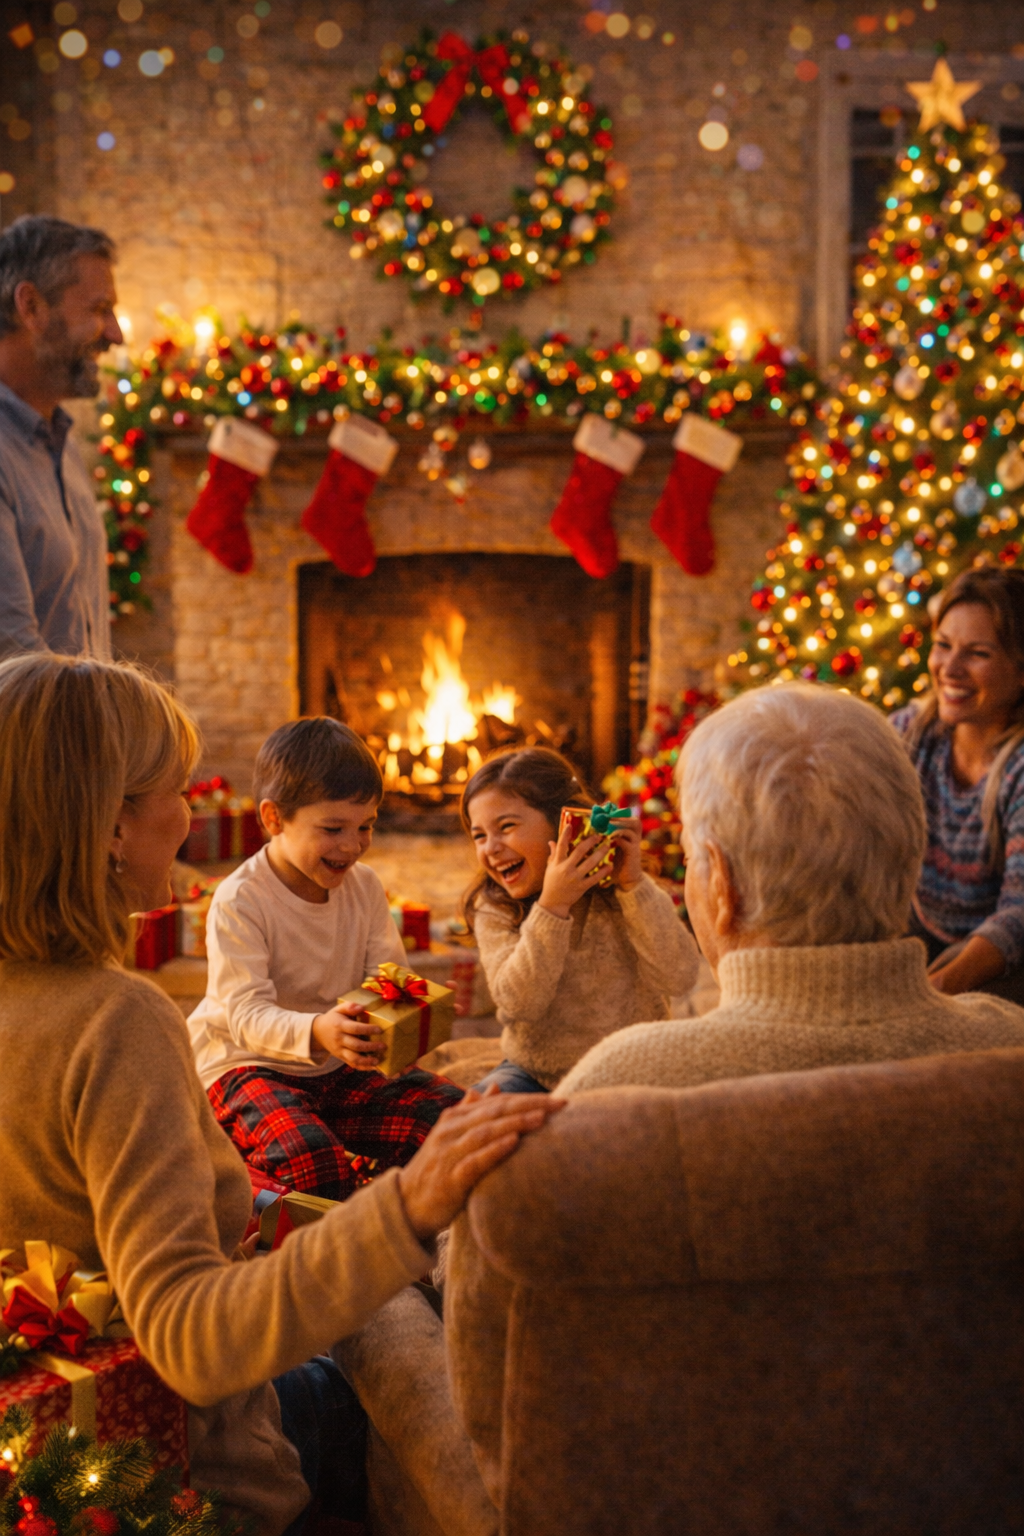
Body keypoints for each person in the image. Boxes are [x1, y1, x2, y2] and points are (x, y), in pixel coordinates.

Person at [0, 653, 563, 1534]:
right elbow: (191, 1340)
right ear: (113, 826)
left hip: (39, 1462)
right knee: (408, 1380)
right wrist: (408, 1207)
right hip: (189, 1475)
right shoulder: (119, 1022)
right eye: (177, 791)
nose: (192, 816)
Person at [558, 682, 1024, 1095]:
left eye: (691, 855)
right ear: (908, 852)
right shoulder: (1008, 1041)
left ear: (723, 885)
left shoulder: (621, 1081)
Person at [189, 717, 465, 1200]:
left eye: (366, 827)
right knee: (311, 1162)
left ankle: (371, 1185)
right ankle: (250, 1177)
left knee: (455, 1120)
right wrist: (319, 1030)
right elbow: (245, 1015)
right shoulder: (241, 899)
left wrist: (413, 1011)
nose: (353, 845)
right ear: (274, 819)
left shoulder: (365, 887)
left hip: (337, 1069)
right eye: (333, 828)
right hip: (247, 1066)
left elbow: (387, 980)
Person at [461, 745, 699, 1093]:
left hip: (634, 1070)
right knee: (477, 1113)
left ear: (564, 822)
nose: (490, 848)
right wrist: (552, 908)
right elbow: (517, 1004)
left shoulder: (622, 892)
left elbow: (680, 976)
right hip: (537, 1074)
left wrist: (634, 886)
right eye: (479, 835)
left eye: (506, 826)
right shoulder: (494, 907)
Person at [891, 567, 1024, 999]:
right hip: (916, 937)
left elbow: (1019, 912)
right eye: (943, 646)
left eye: (977, 653)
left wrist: (936, 992)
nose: (950, 668)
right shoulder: (909, 734)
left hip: (1004, 962)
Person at [0, 215, 123, 659]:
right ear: (30, 307)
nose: (116, 334)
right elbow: (16, 659)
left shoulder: (62, 444)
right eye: (98, 309)